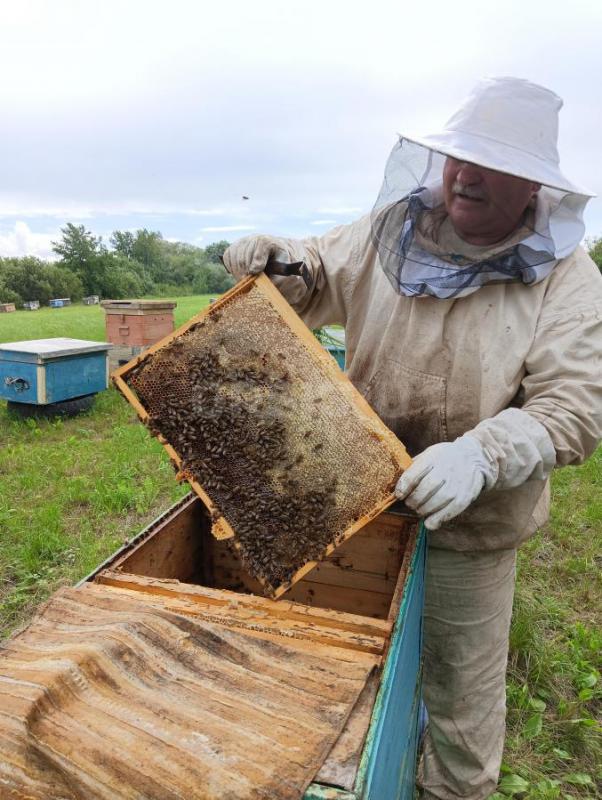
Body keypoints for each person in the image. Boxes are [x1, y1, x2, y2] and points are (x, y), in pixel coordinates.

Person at [223, 76, 602, 800]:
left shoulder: (570, 280)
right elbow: (317, 272)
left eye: (492, 166)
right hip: (349, 492)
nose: (465, 177)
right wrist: (283, 259)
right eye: (459, 157)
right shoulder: (390, 228)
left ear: (535, 190)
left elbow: (575, 407)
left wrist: (481, 455)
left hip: (474, 519)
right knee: (344, 668)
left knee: (461, 691)